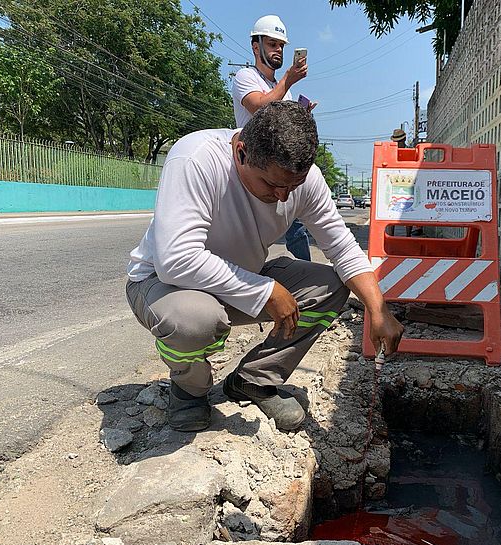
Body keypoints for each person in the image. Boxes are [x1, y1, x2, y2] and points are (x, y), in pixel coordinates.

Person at [126, 102, 404, 433]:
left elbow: (342, 247)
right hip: (164, 285)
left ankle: (253, 380)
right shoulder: (197, 159)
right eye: (271, 185)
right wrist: (266, 290)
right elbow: (175, 260)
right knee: (195, 320)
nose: (284, 197)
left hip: (235, 282)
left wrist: (378, 308)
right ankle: (189, 391)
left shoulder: (303, 181)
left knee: (330, 286)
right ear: (242, 153)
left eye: (293, 186)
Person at [232, 15, 312, 261]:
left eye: (281, 46)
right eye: (272, 44)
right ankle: (240, 278)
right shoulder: (245, 77)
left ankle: (306, 273)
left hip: (280, 169)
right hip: (253, 170)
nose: (278, 50)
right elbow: (259, 108)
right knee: (247, 230)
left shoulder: (283, 89)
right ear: (256, 46)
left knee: (297, 227)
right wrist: (288, 79)